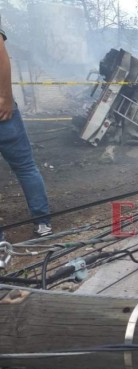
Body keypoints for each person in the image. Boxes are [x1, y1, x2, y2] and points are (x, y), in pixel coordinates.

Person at [0, 16, 52, 239]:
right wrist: (6, 98)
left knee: (26, 167)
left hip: (3, 111)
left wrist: (6, 98)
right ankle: (42, 222)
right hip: (3, 111)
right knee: (25, 167)